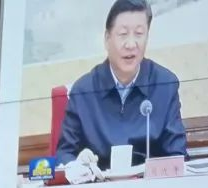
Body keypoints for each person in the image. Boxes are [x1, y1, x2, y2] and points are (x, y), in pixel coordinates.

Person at [54, 0, 187, 172]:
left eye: (139, 34)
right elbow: (64, 155)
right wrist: (78, 163)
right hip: (100, 186)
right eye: (123, 34)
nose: (131, 44)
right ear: (107, 39)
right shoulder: (83, 92)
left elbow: (177, 155)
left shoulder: (165, 85)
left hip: (150, 186)